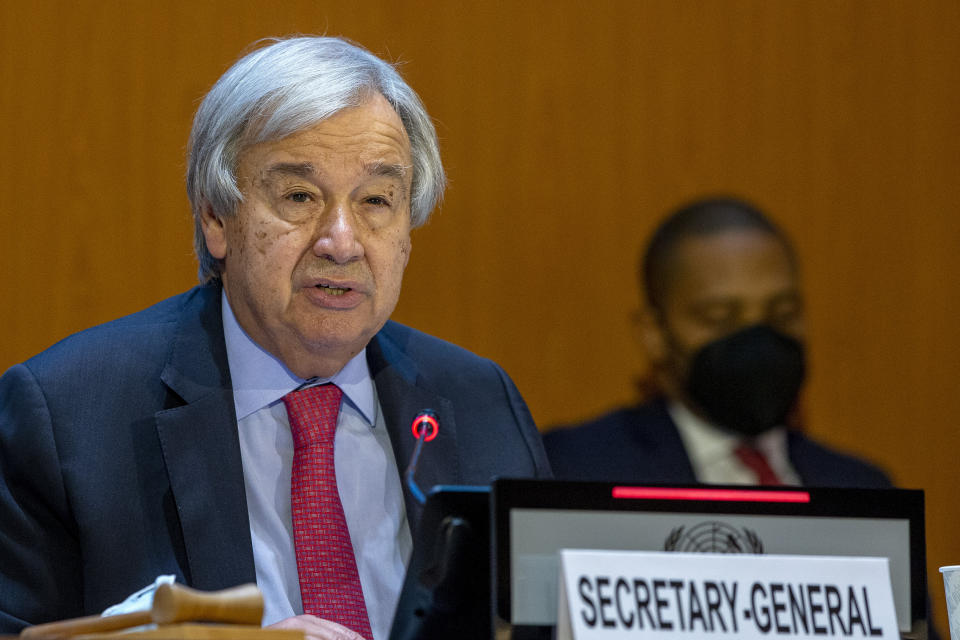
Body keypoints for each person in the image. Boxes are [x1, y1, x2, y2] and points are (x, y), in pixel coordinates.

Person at [0, 37, 550, 639]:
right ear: (216, 216)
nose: (341, 241)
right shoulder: (66, 415)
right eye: (299, 197)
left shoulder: (479, 401)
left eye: (376, 201)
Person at [544, 196, 891, 488]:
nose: (756, 340)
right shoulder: (570, 470)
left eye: (782, 315)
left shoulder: (864, 487)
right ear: (654, 334)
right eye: (719, 318)